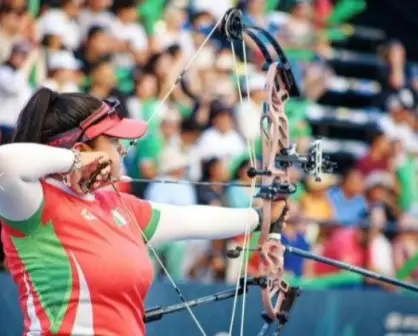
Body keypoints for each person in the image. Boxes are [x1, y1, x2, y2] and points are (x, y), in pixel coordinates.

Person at [0, 87, 287, 336]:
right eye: (113, 142)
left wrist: (261, 217)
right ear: (83, 148)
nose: (123, 151)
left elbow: (190, 219)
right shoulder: (33, 204)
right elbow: (5, 164)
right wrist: (75, 160)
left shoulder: (118, 207)